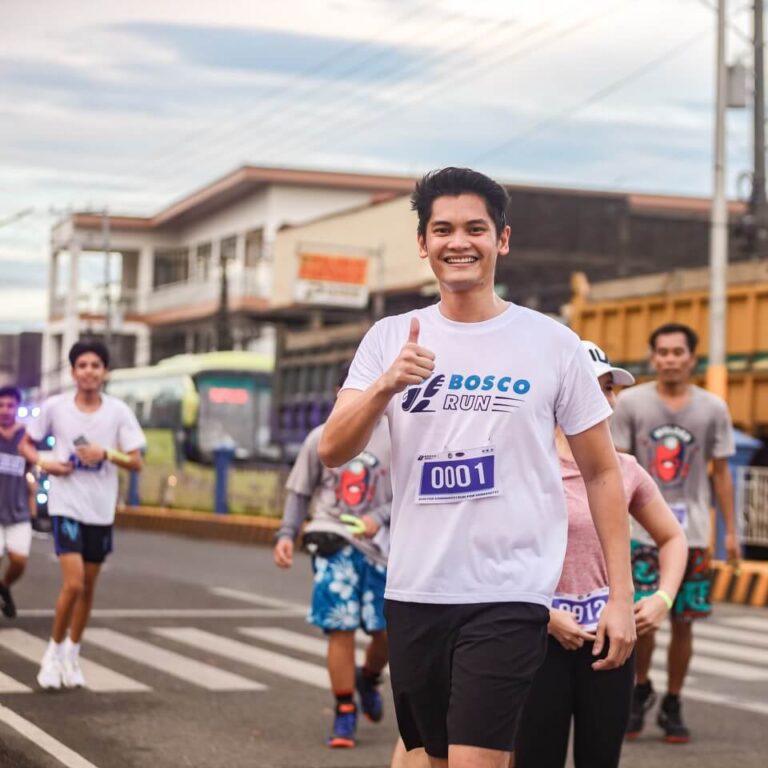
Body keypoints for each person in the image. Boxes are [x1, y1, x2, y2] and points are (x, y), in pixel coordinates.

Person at [318, 167, 636, 768]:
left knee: (475, 762)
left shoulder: (550, 343)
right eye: (442, 229)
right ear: (422, 243)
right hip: (416, 588)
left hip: (509, 593)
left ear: (502, 239)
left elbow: (602, 473)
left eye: (475, 228)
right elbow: (333, 450)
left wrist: (621, 598)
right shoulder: (390, 338)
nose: (458, 242)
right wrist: (386, 385)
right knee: (430, 759)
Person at [513, 341, 687, 768]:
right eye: (597, 388)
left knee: (600, 759)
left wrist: (661, 600)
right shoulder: (525, 465)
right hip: (538, 637)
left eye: (611, 388)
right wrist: (545, 614)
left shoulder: (625, 469)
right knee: (536, 759)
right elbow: (491, 552)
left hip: (610, 639)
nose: (607, 400)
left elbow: (672, 538)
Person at [611, 322, 737, 743]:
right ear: (653, 358)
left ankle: (674, 700)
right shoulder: (630, 403)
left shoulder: (712, 408)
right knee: (644, 619)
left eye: (676, 352)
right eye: (661, 352)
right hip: (640, 533)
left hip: (694, 533)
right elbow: (615, 471)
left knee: (685, 622)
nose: (668, 359)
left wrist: (731, 532)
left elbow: (721, 473)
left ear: (691, 359)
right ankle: (641, 686)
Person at [273, 365, 391, 749]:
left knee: (385, 632)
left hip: (382, 548)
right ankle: (344, 710)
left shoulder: (397, 436)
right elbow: (300, 491)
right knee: (340, 626)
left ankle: (369, 677)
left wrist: (378, 518)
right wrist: (286, 534)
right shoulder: (320, 437)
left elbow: (412, 493)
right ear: (339, 392)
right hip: (333, 539)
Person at [29, 340, 145, 690]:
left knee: (89, 586)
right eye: (82, 365)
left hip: (100, 509)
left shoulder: (118, 412)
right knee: (74, 582)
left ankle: (72, 653)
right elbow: (26, 442)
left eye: (96, 365)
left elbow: (136, 460)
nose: (89, 371)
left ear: (105, 372)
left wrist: (106, 452)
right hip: (66, 505)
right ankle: (52, 652)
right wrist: (44, 463)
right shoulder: (56, 407)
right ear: (72, 372)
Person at [0, 386, 39, 619]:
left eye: (10, 405)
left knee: (19, 561)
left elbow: (32, 467)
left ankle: (4, 586)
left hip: (18, 510)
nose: (5, 410)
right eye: (1, 405)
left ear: (17, 407)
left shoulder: (26, 437)